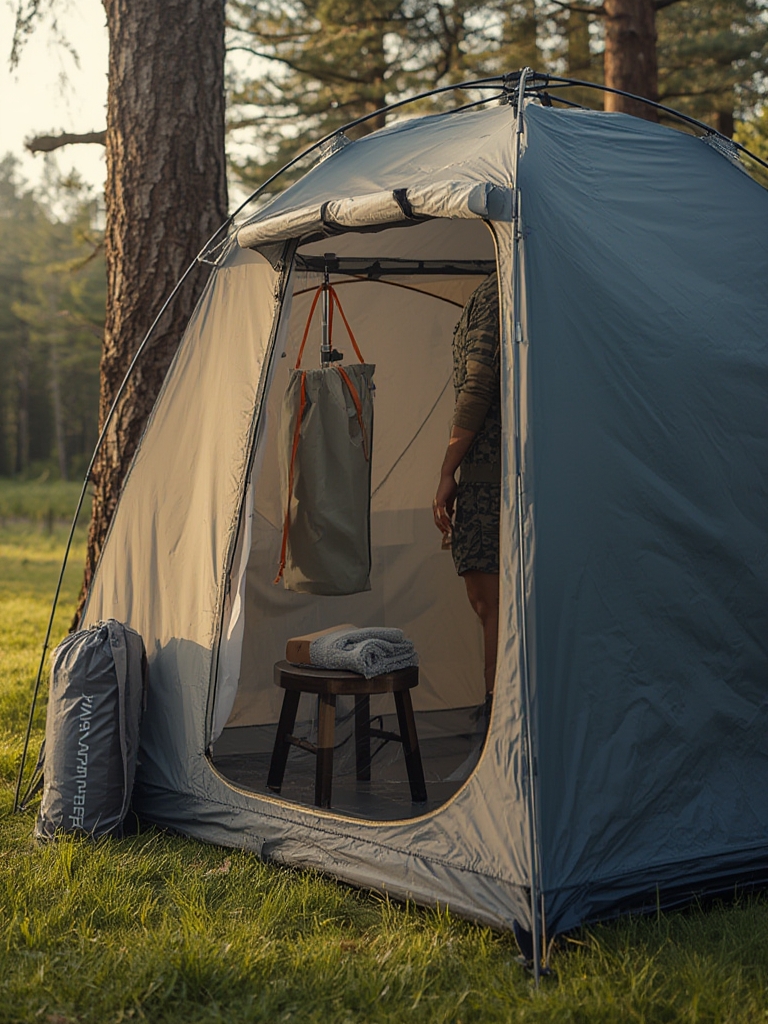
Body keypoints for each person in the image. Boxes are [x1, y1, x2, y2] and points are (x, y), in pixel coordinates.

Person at [433, 272, 500, 706]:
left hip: (492, 483)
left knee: (492, 608)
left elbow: (476, 386)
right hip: (507, 476)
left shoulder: (496, 292)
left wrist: (446, 474)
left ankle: (500, 728)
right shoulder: (525, 281)